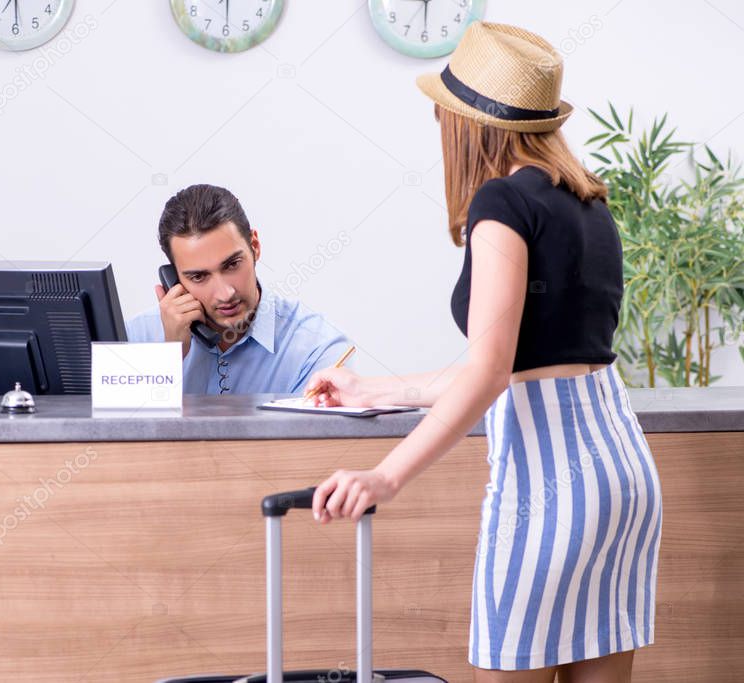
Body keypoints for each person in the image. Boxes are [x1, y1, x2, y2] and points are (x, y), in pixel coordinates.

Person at [305, 22, 662, 683]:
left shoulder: (501, 202)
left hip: (547, 489)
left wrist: (385, 475)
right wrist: (375, 390)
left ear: (466, 122)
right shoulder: (587, 199)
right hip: (622, 477)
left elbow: (493, 371)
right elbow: (527, 359)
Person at [126, 183, 353, 394]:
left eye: (232, 265)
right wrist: (168, 358)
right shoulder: (131, 341)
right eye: (198, 276)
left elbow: (317, 437)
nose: (226, 294)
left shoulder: (317, 348)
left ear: (254, 246)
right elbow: (115, 432)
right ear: (174, 278)